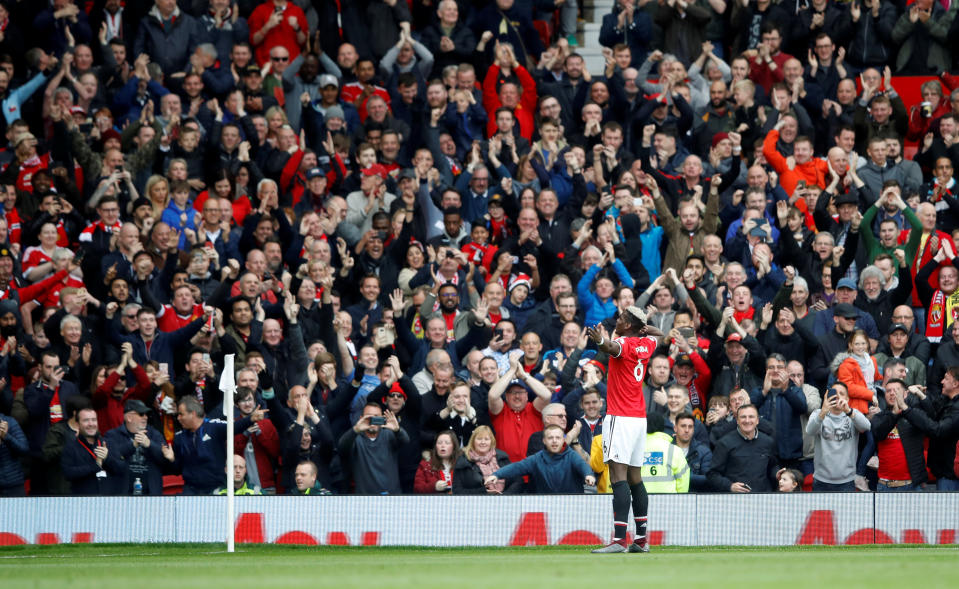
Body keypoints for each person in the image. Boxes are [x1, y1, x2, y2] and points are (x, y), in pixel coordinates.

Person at [587, 305, 664, 553]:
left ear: (627, 325)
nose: (617, 321)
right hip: (638, 419)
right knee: (635, 478)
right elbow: (660, 333)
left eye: (621, 318)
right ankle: (641, 540)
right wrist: (645, 326)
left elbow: (609, 348)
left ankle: (619, 540)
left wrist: (601, 340)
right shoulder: (646, 344)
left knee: (618, 478)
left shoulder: (625, 345)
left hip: (619, 418)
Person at [483, 424, 595, 494]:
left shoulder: (572, 455)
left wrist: (588, 474)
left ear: (563, 440)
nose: (554, 441)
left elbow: (582, 465)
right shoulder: (536, 458)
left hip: (571, 506)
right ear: (544, 441)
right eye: (550, 438)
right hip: (545, 507)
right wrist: (497, 475)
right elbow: (517, 467)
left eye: (558, 438)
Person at [806, 383, 871, 492]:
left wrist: (848, 411)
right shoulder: (818, 414)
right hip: (821, 480)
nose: (838, 396)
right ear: (828, 396)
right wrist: (823, 412)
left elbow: (866, 426)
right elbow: (809, 431)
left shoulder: (853, 415)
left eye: (842, 394)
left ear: (847, 399)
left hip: (847, 481)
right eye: (834, 393)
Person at [338, 403, 409, 495]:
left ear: (382, 419)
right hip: (364, 498)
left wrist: (397, 430)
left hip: (391, 496)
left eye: (376, 417)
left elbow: (406, 441)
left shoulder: (389, 435)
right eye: (369, 417)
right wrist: (356, 429)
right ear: (361, 418)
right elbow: (342, 446)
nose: (373, 420)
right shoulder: (355, 439)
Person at [707, 404, 779, 492]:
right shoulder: (724, 443)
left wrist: (777, 474)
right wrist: (730, 486)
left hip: (762, 497)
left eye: (751, 417)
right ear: (737, 420)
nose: (747, 420)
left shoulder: (768, 442)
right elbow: (712, 474)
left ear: (757, 420)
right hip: (736, 499)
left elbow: (773, 466)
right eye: (743, 417)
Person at [453, 426, 522, 495]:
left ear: (491, 442)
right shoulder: (463, 461)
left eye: (486, 439)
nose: (483, 442)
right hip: (476, 503)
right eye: (479, 439)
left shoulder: (502, 458)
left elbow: (518, 481)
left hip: (504, 502)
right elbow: (457, 491)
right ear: (473, 441)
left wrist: (505, 496)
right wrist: (483, 492)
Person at [414, 430, 459, 494]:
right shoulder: (426, 465)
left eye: (447, 443)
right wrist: (434, 486)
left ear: (454, 446)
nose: (442, 445)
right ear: (435, 446)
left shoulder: (462, 464)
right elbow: (417, 488)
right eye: (439, 443)